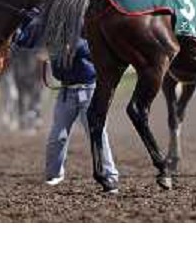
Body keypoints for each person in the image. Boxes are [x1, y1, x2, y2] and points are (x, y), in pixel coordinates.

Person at [13, 11, 118, 187]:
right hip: (66, 91)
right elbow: (26, 40)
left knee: (97, 134)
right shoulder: (52, 29)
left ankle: (110, 175)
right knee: (57, 136)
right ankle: (54, 174)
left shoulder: (83, 27)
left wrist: (55, 51)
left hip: (88, 91)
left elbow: (87, 48)